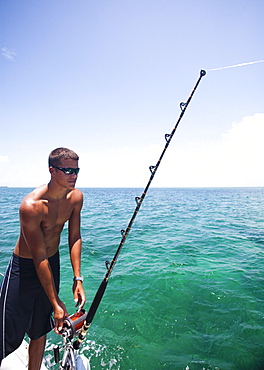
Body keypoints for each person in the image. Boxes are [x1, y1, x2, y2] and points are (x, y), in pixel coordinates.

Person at [0, 147, 86, 369]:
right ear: (52, 171)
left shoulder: (76, 197)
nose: (73, 175)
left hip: (52, 263)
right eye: (67, 170)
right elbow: (38, 258)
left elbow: (74, 237)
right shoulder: (32, 206)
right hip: (25, 268)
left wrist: (78, 278)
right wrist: (56, 301)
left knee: (40, 329)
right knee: (6, 335)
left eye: (76, 170)